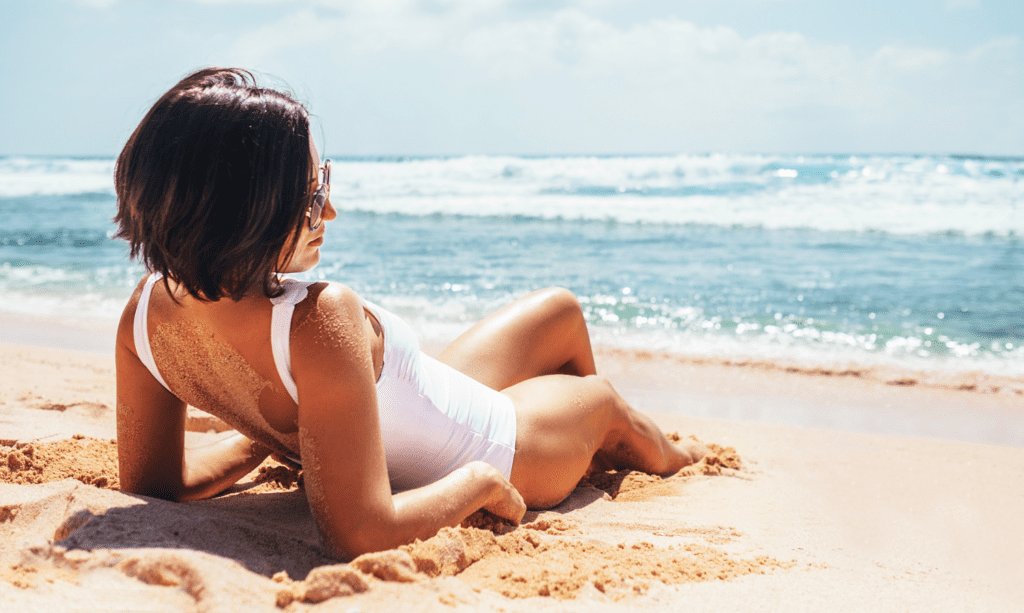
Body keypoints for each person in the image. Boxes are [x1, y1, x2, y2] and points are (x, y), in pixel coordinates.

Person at [113, 67, 706, 560]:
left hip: (421, 406)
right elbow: (359, 534)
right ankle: (670, 454)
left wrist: (263, 442)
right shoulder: (318, 320)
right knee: (601, 400)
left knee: (560, 311)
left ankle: (587, 442)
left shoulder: (143, 318)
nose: (332, 211)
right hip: (502, 448)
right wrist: (476, 482)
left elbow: (155, 485)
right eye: (313, 197)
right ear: (250, 211)